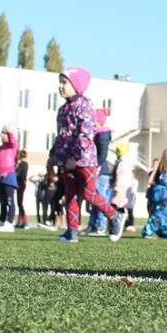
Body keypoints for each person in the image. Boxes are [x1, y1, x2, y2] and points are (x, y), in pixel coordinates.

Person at [48, 67, 125, 243]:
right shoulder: (62, 110)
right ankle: (72, 232)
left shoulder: (85, 105)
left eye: (64, 82)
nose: (60, 86)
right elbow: (61, 135)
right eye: (59, 82)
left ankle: (115, 216)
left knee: (89, 194)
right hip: (66, 161)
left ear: (76, 85)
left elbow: (86, 134)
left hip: (83, 160)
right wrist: (53, 154)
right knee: (71, 196)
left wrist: (74, 158)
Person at [85, 108, 114, 236]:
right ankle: (93, 225)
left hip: (101, 172)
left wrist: (96, 167)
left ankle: (101, 226)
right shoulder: (96, 134)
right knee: (93, 198)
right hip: (97, 170)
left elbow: (102, 154)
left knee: (99, 198)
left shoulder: (102, 135)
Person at [0, 124, 20, 232]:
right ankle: (2, 220)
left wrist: (10, 131)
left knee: (9, 200)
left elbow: (13, 140)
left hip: (8, 176)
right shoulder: (0, 148)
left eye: (4, 134)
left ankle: (9, 222)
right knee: (2, 201)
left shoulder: (13, 146)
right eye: (2, 133)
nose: (2, 136)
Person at [108, 142, 135, 242]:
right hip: (125, 190)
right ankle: (117, 228)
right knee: (118, 208)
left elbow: (121, 178)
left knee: (117, 209)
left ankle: (116, 230)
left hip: (121, 190)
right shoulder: (126, 163)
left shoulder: (122, 164)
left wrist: (117, 188)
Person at [15, 150, 29, 228]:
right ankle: (20, 221)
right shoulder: (26, 164)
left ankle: (24, 221)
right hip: (22, 183)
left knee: (19, 203)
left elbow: (18, 173)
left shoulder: (22, 164)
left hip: (20, 183)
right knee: (19, 203)